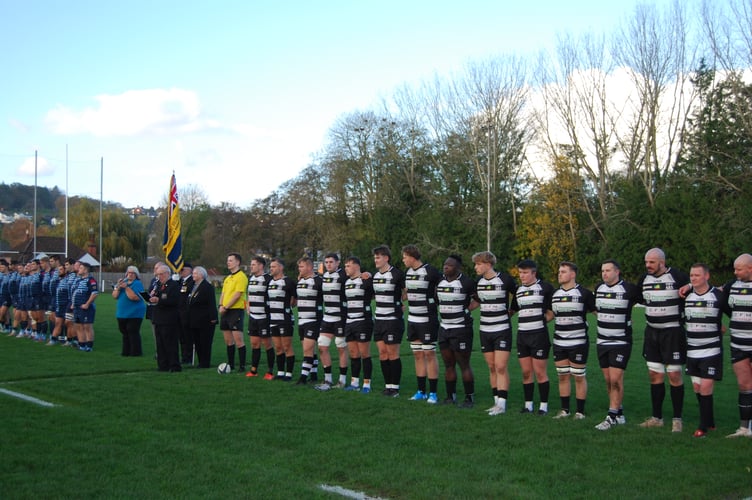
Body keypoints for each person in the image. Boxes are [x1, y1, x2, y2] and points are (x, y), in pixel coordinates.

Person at [637, 248, 690, 432]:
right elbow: (636, 297)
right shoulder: (644, 279)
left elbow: (696, 286)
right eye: (646, 262)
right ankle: (657, 417)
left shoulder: (677, 276)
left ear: (662, 262)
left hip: (672, 333)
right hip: (652, 333)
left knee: (674, 375)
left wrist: (689, 286)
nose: (647, 266)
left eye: (651, 262)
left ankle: (677, 419)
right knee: (654, 375)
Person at [593, 259, 640, 431]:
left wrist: (627, 317)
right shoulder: (599, 288)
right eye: (602, 270)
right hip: (601, 340)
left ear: (617, 272)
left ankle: (611, 416)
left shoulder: (628, 289)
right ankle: (619, 413)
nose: (604, 273)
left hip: (621, 341)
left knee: (616, 379)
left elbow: (642, 300)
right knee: (608, 380)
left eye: (608, 270)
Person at [472, 251, 517, 415]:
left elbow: (517, 293)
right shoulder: (478, 281)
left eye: (478, 264)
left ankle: (502, 405)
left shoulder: (504, 279)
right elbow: (477, 299)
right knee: (491, 367)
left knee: (500, 366)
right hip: (485, 329)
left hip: (502, 330)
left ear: (488, 264)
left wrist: (512, 310)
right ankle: (496, 402)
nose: (476, 267)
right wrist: (467, 308)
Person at [683, 263, 724, 438]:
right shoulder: (686, 295)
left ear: (707, 276)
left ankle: (702, 428)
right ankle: (710, 421)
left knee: (706, 387)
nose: (693, 278)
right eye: (691, 275)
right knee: (698, 388)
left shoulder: (718, 296)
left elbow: (732, 311)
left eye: (697, 275)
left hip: (711, 349)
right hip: (692, 350)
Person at [550, 261, 595, 420]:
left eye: (563, 271)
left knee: (578, 376)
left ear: (573, 274)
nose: (559, 274)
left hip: (578, 342)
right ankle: (565, 410)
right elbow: (551, 315)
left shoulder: (584, 294)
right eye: (559, 271)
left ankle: (580, 412)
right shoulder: (554, 294)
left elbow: (597, 313)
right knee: (562, 376)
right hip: (559, 342)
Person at [510, 259, 554, 415]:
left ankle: (543, 406)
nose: (522, 276)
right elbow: (513, 310)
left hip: (539, 335)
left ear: (534, 273)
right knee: (526, 373)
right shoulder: (519, 290)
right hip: (522, 335)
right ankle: (528, 405)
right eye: (520, 273)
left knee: (540, 372)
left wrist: (540, 322)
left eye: (525, 273)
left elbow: (552, 311)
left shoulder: (546, 288)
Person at [436, 255, 478, 408]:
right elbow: (437, 299)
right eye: (445, 264)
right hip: (444, 328)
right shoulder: (439, 281)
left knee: (463, 364)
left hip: (461, 329)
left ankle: (469, 398)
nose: (446, 267)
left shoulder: (466, 282)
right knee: (448, 364)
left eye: (450, 265)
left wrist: (466, 311)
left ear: (458, 268)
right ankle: (450, 397)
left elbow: (479, 299)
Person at [402, 245, 442, 404]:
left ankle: (433, 393)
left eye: (405, 257)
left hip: (428, 320)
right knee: (418, 355)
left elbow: (444, 286)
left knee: (429, 355)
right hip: (412, 319)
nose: (403, 260)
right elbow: (406, 293)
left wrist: (435, 301)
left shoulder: (430, 271)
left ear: (412, 256)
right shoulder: (408, 273)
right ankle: (421, 391)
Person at [722, 253, 752, 438]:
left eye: (739, 269)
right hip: (738, 342)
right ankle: (744, 428)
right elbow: (717, 300)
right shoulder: (731, 286)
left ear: (750, 268)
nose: (735, 272)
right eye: (735, 268)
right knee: (744, 385)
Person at [372, 245, 405, 396]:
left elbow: (407, 292)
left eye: (378, 257)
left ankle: (395, 388)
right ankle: (388, 386)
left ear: (386, 258)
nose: (376, 260)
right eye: (375, 257)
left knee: (392, 354)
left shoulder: (397, 274)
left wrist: (399, 303)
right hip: (378, 319)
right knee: (382, 354)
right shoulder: (375, 276)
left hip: (393, 320)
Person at [315, 253, 350, 391]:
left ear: (338, 263)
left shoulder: (343, 275)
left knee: (341, 347)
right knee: (322, 346)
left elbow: (356, 276)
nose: (328, 264)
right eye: (326, 262)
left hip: (340, 317)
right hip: (327, 317)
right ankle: (328, 379)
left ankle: (342, 380)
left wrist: (366, 274)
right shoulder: (324, 277)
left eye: (331, 262)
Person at [342, 256, 375, 393]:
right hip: (349, 321)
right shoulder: (346, 282)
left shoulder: (366, 279)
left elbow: (374, 292)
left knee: (364, 353)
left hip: (363, 321)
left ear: (356, 266)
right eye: (345, 266)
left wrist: (369, 275)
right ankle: (354, 383)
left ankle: (367, 384)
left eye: (348, 266)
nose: (346, 268)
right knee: (353, 353)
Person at [267, 258, 297, 380]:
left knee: (287, 347)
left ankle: (288, 374)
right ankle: (280, 372)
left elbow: (295, 299)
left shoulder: (288, 281)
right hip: (273, 319)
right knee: (278, 347)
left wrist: (287, 307)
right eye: (271, 267)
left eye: (273, 266)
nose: (271, 269)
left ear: (281, 268)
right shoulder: (270, 281)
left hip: (285, 319)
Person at [245, 256, 275, 379]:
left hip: (264, 317)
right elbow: (248, 294)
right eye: (251, 264)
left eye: (253, 264)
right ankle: (254, 370)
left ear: (261, 266)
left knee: (267, 344)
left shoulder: (268, 279)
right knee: (254, 344)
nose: (251, 267)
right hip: (253, 317)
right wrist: (248, 305)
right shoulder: (251, 278)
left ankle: (270, 371)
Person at [295, 256, 323, 384]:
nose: (299, 269)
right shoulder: (300, 281)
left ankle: (303, 378)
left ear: (310, 267)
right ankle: (314, 375)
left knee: (307, 349)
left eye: (302, 266)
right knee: (310, 350)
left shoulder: (318, 281)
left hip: (313, 320)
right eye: (299, 266)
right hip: (301, 319)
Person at [218, 253, 249, 371]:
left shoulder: (241, 277)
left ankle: (242, 366)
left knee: (238, 340)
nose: (228, 262)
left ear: (238, 262)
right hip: (225, 310)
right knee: (228, 340)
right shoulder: (227, 278)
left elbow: (237, 295)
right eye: (227, 260)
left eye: (230, 260)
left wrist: (225, 307)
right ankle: (230, 365)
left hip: (235, 311)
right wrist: (221, 305)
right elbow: (223, 293)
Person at [150, 264, 182, 372]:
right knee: (160, 344)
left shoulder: (174, 285)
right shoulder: (158, 285)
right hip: (158, 318)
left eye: (161, 274)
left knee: (170, 343)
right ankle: (162, 365)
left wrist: (159, 300)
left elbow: (174, 301)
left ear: (168, 273)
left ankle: (174, 365)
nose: (159, 277)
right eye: (158, 275)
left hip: (169, 319)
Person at [112, 265, 146, 356]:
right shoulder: (123, 282)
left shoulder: (137, 284)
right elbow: (115, 296)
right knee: (124, 332)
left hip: (134, 313)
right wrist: (118, 287)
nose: (130, 275)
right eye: (129, 273)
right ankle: (125, 351)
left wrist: (126, 287)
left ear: (136, 275)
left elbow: (134, 297)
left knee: (132, 331)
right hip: (122, 313)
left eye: (132, 273)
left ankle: (136, 352)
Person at [187, 266, 218, 368]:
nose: (193, 275)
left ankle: (205, 362)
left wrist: (213, 317)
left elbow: (211, 303)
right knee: (197, 342)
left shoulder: (207, 287)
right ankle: (200, 361)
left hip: (205, 319)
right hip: (194, 319)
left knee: (205, 342)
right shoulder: (192, 285)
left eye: (195, 273)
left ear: (201, 275)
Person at [71, 261, 98, 352]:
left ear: (86, 270)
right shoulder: (79, 280)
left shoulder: (91, 280)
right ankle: (81, 345)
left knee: (87, 326)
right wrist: (73, 304)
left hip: (86, 308)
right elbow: (74, 292)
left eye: (81, 268)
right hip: (77, 307)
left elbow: (94, 293)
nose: (79, 269)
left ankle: (89, 346)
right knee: (78, 326)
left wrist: (87, 304)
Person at [177, 262, 195, 365]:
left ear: (189, 270)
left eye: (182, 269)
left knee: (188, 337)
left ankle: (188, 357)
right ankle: (184, 356)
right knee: (181, 337)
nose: (180, 271)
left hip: (186, 314)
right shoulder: (180, 281)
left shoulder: (191, 281)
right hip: (179, 313)